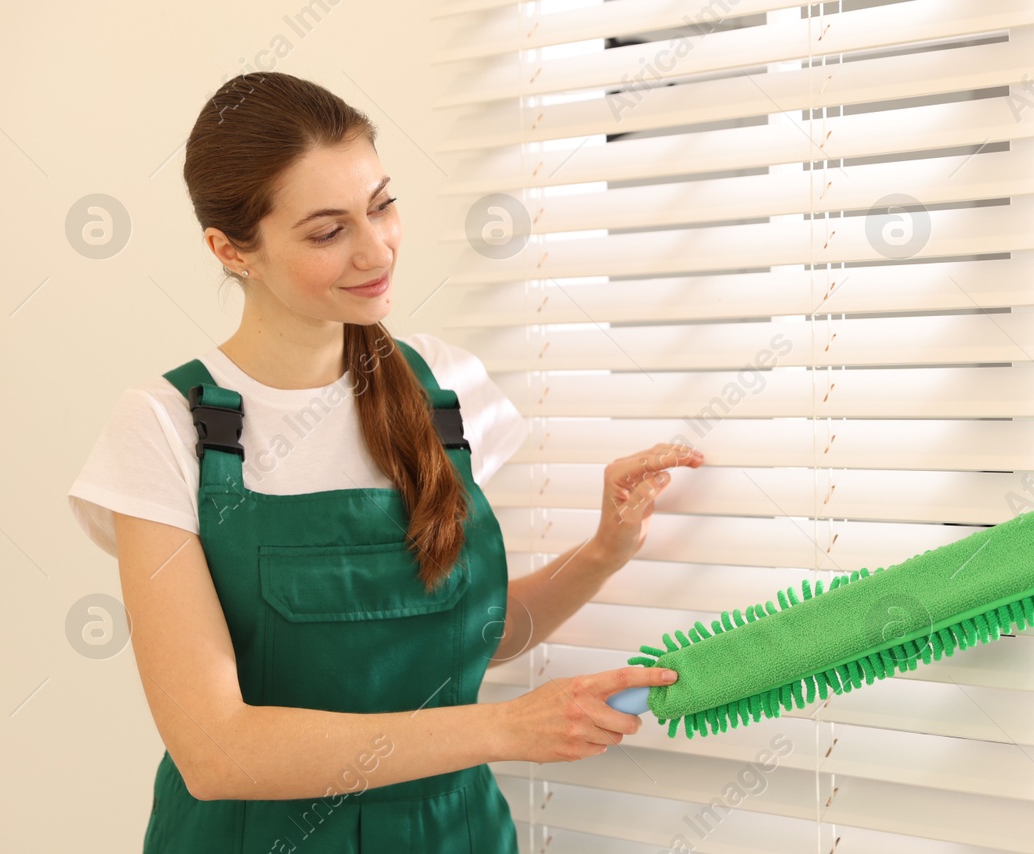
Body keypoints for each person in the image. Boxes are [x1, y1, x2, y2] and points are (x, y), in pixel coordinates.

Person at [65, 71, 704, 853]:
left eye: (382, 205)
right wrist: (502, 727)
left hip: (455, 833)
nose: (376, 250)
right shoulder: (166, 429)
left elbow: (468, 639)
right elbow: (216, 751)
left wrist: (602, 554)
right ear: (232, 250)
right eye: (327, 232)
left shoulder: (445, 391)